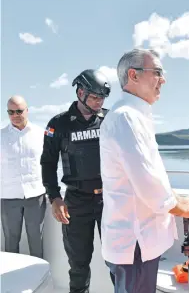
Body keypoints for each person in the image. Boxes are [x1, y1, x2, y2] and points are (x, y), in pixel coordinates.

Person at [100, 48, 189, 293]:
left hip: (136, 241)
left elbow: (148, 172)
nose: (163, 80)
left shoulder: (132, 115)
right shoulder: (126, 117)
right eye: (157, 72)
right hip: (134, 242)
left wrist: (178, 199)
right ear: (133, 75)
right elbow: (144, 179)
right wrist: (180, 207)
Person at [40, 69, 115, 293]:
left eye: (102, 97)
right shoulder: (59, 124)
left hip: (109, 201)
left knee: (118, 263)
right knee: (79, 265)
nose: (99, 102)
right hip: (76, 202)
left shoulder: (109, 120)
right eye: (95, 97)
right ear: (80, 92)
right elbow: (48, 163)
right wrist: (54, 197)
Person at [1, 95, 47, 258]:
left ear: (27, 110)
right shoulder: (1, 136)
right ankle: (11, 281)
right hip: (8, 196)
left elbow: (51, 163)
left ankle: (39, 280)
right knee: (11, 242)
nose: (15, 115)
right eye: (10, 112)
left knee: (36, 240)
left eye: (19, 111)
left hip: (36, 196)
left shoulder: (41, 134)